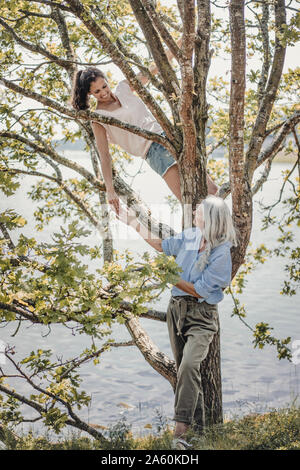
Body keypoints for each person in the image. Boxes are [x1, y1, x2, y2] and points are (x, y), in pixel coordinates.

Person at [116, 195, 237, 450]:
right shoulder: (191, 235)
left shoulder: (222, 252)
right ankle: (202, 435)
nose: (195, 210)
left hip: (202, 317)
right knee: (187, 373)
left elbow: (200, 290)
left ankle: (179, 435)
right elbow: (161, 246)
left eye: (200, 209)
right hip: (176, 312)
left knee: (189, 367)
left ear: (211, 217)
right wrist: (131, 223)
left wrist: (169, 276)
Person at [71, 53, 218, 212]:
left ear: (107, 81)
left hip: (170, 136)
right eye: (97, 91)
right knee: (191, 205)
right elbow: (105, 155)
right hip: (154, 152)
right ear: (90, 94)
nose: (103, 93)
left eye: (104, 86)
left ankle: (225, 231)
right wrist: (110, 189)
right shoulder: (99, 118)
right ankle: (205, 236)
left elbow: (150, 70)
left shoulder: (123, 88)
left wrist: (175, 46)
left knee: (213, 191)